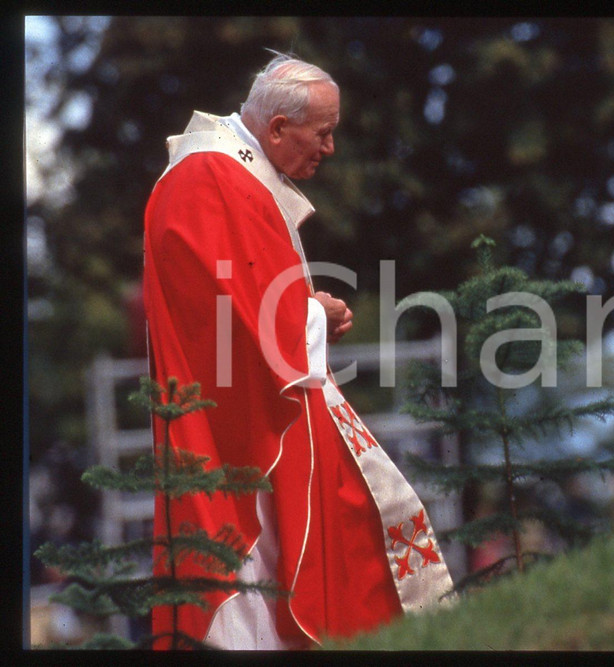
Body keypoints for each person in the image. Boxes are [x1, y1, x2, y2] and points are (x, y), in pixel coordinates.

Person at [143, 52, 453, 650]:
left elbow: (239, 295)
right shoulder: (212, 177)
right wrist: (314, 312)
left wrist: (304, 309)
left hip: (244, 413)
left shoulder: (231, 175)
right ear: (278, 129)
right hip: (233, 434)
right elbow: (226, 311)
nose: (330, 149)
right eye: (324, 133)